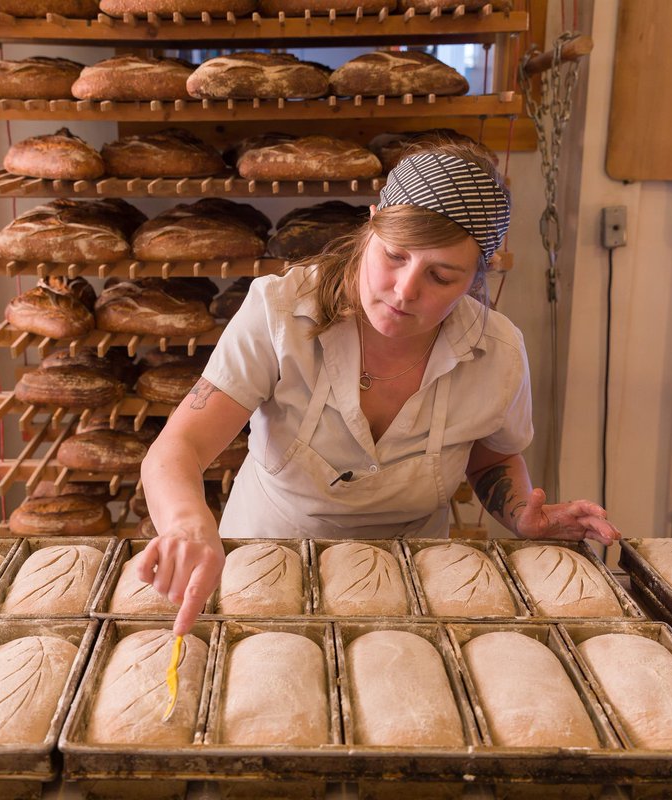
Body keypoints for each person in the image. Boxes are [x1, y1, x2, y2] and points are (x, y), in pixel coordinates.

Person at [138, 142, 621, 634]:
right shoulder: (279, 311)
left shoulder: (497, 352)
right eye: (394, 255)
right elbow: (180, 445)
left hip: (413, 581)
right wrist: (185, 521)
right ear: (371, 223)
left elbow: (491, 457)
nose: (405, 289)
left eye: (441, 275)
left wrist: (520, 515)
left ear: (480, 274)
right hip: (265, 563)